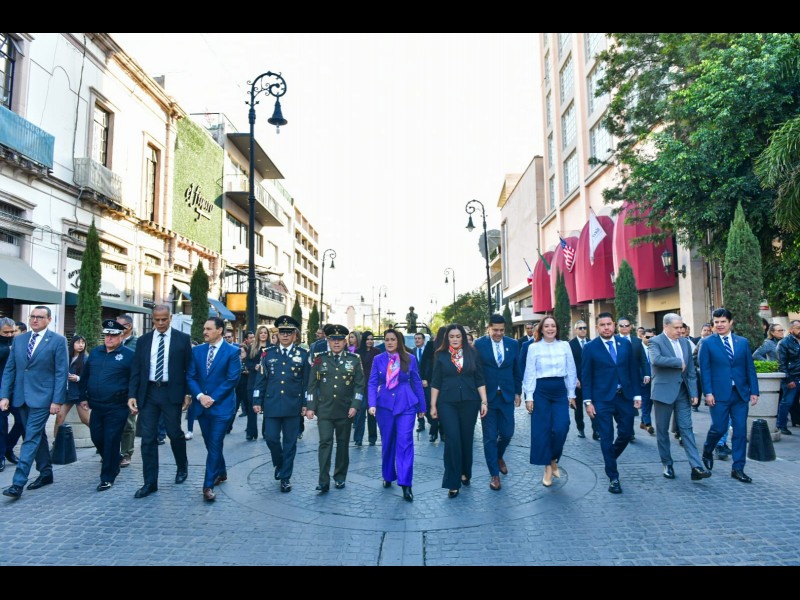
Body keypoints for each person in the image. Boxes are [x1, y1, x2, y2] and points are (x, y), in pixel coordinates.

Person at [1, 307, 68, 499]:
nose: (35, 320)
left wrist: (57, 400)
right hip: (20, 397)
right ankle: (46, 472)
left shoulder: (58, 341)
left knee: (30, 437)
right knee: (38, 435)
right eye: (33, 316)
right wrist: (4, 396)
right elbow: (10, 369)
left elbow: (61, 372)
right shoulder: (20, 340)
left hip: (43, 398)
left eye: (40, 317)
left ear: (49, 319)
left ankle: (18, 483)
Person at [127, 304, 193, 498]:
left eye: (164, 319)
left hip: (171, 392)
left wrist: (188, 393)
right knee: (148, 438)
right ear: (152, 319)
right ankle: (150, 482)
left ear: (170, 318)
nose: (161, 323)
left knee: (174, 433)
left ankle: (182, 466)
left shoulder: (182, 339)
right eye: (157, 320)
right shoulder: (144, 341)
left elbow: (189, 369)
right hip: (148, 393)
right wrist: (132, 394)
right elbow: (136, 369)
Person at [581, 312, 642, 494]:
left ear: (614, 325)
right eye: (602, 325)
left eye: (609, 324)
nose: (606, 327)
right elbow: (586, 376)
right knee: (606, 437)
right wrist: (588, 402)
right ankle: (613, 478)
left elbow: (632, 370)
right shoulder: (590, 348)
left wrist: (637, 395)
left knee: (626, 433)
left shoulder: (625, 344)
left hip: (624, 397)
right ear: (597, 327)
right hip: (602, 399)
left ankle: (610, 458)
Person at [648, 313, 712, 481]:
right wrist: (678, 362)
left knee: (686, 428)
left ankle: (696, 466)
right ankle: (667, 464)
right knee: (662, 430)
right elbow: (656, 360)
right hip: (663, 393)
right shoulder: (655, 341)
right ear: (665, 326)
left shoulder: (684, 342)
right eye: (676, 328)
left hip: (683, 392)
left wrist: (694, 392)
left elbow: (690, 370)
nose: (679, 331)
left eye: (681, 327)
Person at [699, 308, 759, 484]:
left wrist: (754, 391)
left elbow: (749, 368)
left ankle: (738, 468)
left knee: (740, 431)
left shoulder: (742, 342)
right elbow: (705, 370)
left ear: (730, 322)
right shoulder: (707, 343)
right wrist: (708, 392)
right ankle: (708, 449)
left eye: (723, 321)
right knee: (719, 428)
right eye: (716, 322)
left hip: (740, 394)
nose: (719, 325)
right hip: (718, 394)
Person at [429, 323, 488, 498]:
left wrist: (484, 401)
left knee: (466, 439)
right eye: (451, 337)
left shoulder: (473, 353)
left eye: (458, 336)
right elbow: (436, 381)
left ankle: (465, 472)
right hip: (447, 403)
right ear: (447, 338)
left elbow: (479, 379)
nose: (455, 339)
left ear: (463, 337)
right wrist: (433, 405)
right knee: (452, 439)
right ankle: (452, 482)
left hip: (470, 401)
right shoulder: (440, 355)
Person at [187, 317, 242, 501]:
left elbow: (232, 379)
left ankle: (208, 485)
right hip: (202, 406)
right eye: (204, 328)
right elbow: (191, 376)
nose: (205, 332)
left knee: (215, 443)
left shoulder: (232, 352)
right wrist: (200, 396)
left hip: (222, 407)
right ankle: (222, 472)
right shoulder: (197, 351)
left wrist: (212, 398)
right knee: (211, 444)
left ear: (220, 330)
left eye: (209, 329)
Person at [367, 328, 426, 501]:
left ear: (399, 341)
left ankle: (406, 484)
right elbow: (372, 382)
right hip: (384, 405)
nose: (390, 342)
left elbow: (416, 382)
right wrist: (372, 404)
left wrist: (422, 407)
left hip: (406, 404)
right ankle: (388, 475)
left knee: (405, 442)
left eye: (393, 339)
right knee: (388, 441)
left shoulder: (410, 358)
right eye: (387, 339)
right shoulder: (378, 359)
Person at [253, 315, 310, 493]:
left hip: (293, 405)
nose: (285, 335)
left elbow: (307, 383)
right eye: (282, 332)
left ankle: (285, 478)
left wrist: (306, 403)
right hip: (272, 404)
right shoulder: (268, 354)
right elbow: (261, 380)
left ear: (295, 335)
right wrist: (256, 400)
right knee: (270, 438)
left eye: (289, 332)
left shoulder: (303, 355)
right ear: (277, 334)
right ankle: (279, 463)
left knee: (290, 443)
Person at [306, 324, 365, 493]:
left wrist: (355, 405)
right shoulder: (320, 359)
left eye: (340, 340)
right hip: (324, 409)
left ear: (345, 342)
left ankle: (340, 476)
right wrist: (310, 406)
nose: (336, 343)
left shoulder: (354, 359)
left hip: (345, 410)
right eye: (333, 340)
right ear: (328, 341)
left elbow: (359, 385)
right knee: (325, 442)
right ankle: (323, 480)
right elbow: (312, 385)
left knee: (343, 444)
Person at [78, 320, 135, 491]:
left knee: (111, 440)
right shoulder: (96, 352)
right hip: (97, 405)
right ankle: (114, 459)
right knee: (97, 437)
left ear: (121, 336)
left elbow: (135, 380)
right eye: (107, 335)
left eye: (113, 335)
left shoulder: (128, 355)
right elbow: (85, 376)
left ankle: (107, 476)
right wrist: (82, 396)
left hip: (117, 406)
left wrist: (133, 399)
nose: (109, 338)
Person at [522, 316, 576, 487]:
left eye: (553, 325)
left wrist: (571, 393)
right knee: (542, 430)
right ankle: (547, 467)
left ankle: (553, 459)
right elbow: (530, 372)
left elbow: (571, 370)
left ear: (557, 328)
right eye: (547, 326)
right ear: (541, 329)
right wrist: (529, 396)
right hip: (541, 390)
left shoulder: (565, 345)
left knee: (562, 427)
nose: (550, 329)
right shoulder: (533, 348)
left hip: (559, 389)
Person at [474, 314, 521, 491]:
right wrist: (481, 399)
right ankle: (494, 474)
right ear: (489, 328)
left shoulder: (512, 344)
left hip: (507, 396)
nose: (499, 333)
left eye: (502, 330)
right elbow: (477, 372)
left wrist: (518, 392)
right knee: (489, 437)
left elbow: (517, 369)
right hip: (488, 399)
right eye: (495, 330)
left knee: (508, 433)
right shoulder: (479, 344)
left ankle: (499, 456)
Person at [617, 316, 651, 442]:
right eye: (621, 325)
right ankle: (627, 431)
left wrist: (647, 374)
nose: (624, 327)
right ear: (617, 327)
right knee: (623, 406)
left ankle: (629, 430)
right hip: (620, 380)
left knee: (633, 406)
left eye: (626, 325)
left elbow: (643, 359)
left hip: (635, 379)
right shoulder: (614, 341)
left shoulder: (637, 341)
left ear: (631, 326)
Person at [53, 334, 91, 444]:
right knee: (59, 417)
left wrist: (78, 378)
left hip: (80, 394)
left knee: (86, 420)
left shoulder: (86, 359)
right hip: (67, 393)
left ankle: (102, 441)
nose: (81, 345)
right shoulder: (66, 357)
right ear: (72, 344)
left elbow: (90, 376)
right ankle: (56, 444)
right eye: (78, 342)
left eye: (83, 343)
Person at [0, 318, 23, 472]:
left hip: (16, 390)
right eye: (5, 332)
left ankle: (8, 448)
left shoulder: (17, 343)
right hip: (1, 391)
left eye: (12, 332)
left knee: (22, 421)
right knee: (1, 425)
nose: (9, 335)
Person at [116, 314, 138, 468]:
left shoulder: (138, 343)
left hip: (130, 388)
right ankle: (111, 452)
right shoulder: (113, 340)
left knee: (128, 424)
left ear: (128, 326)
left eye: (120, 325)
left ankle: (126, 453)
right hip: (113, 388)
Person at [353, 331, 380, 446]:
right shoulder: (357, 352)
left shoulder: (377, 352)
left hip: (373, 386)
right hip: (360, 385)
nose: (370, 341)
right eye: (367, 339)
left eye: (371, 339)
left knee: (372, 413)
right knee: (360, 413)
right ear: (364, 340)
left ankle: (372, 438)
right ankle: (358, 438)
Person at [243, 325, 270, 441]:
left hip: (267, 382)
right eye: (261, 332)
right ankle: (251, 432)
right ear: (258, 334)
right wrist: (254, 366)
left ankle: (266, 432)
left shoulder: (272, 348)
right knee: (251, 406)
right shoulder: (252, 347)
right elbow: (247, 363)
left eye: (265, 333)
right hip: (253, 380)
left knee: (267, 407)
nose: (263, 334)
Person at [568, 320, 593, 440]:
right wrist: (574, 379)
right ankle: (581, 429)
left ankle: (596, 430)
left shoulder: (592, 343)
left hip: (591, 381)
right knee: (578, 408)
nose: (583, 330)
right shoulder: (570, 344)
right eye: (580, 328)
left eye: (585, 327)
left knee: (593, 405)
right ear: (575, 330)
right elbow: (569, 364)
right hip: (577, 381)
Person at [776, 320, 800, 435]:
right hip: (792, 376)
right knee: (787, 402)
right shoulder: (784, 343)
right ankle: (781, 425)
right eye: (798, 328)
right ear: (791, 329)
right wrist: (788, 379)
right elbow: (782, 363)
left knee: (793, 402)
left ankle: (797, 420)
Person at [411, 332, 429, 433]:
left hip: (428, 383)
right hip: (416, 383)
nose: (417, 340)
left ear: (423, 340)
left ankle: (432, 421)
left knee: (428, 402)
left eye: (419, 338)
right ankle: (421, 423)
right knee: (418, 402)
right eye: (416, 338)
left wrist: (427, 379)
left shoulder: (428, 351)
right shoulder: (412, 351)